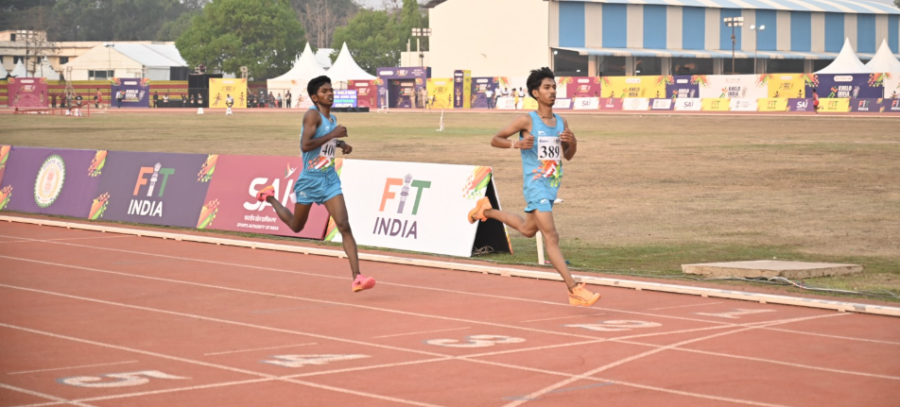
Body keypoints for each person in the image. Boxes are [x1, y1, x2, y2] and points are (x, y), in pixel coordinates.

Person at [467, 67, 600, 307]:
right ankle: (574, 289)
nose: (552, 92)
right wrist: (516, 145)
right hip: (535, 186)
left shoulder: (562, 121)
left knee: (528, 230)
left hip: (551, 187)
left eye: (554, 87)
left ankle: (484, 211)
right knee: (552, 236)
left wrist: (573, 142)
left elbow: (568, 156)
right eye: (547, 88)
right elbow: (495, 139)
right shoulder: (527, 120)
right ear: (535, 93)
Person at [255, 75, 375, 293]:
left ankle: (357, 277)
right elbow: (306, 144)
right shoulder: (312, 115)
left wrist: (341, 143)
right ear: (314, 97)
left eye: (331, 90)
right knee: (296, 226)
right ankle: (270, 196)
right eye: (324, 91)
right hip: (310, 181)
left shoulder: (332, 119)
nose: (330, 94)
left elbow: (326, 140)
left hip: (329, 180)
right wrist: (334, 134)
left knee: (344, 225)